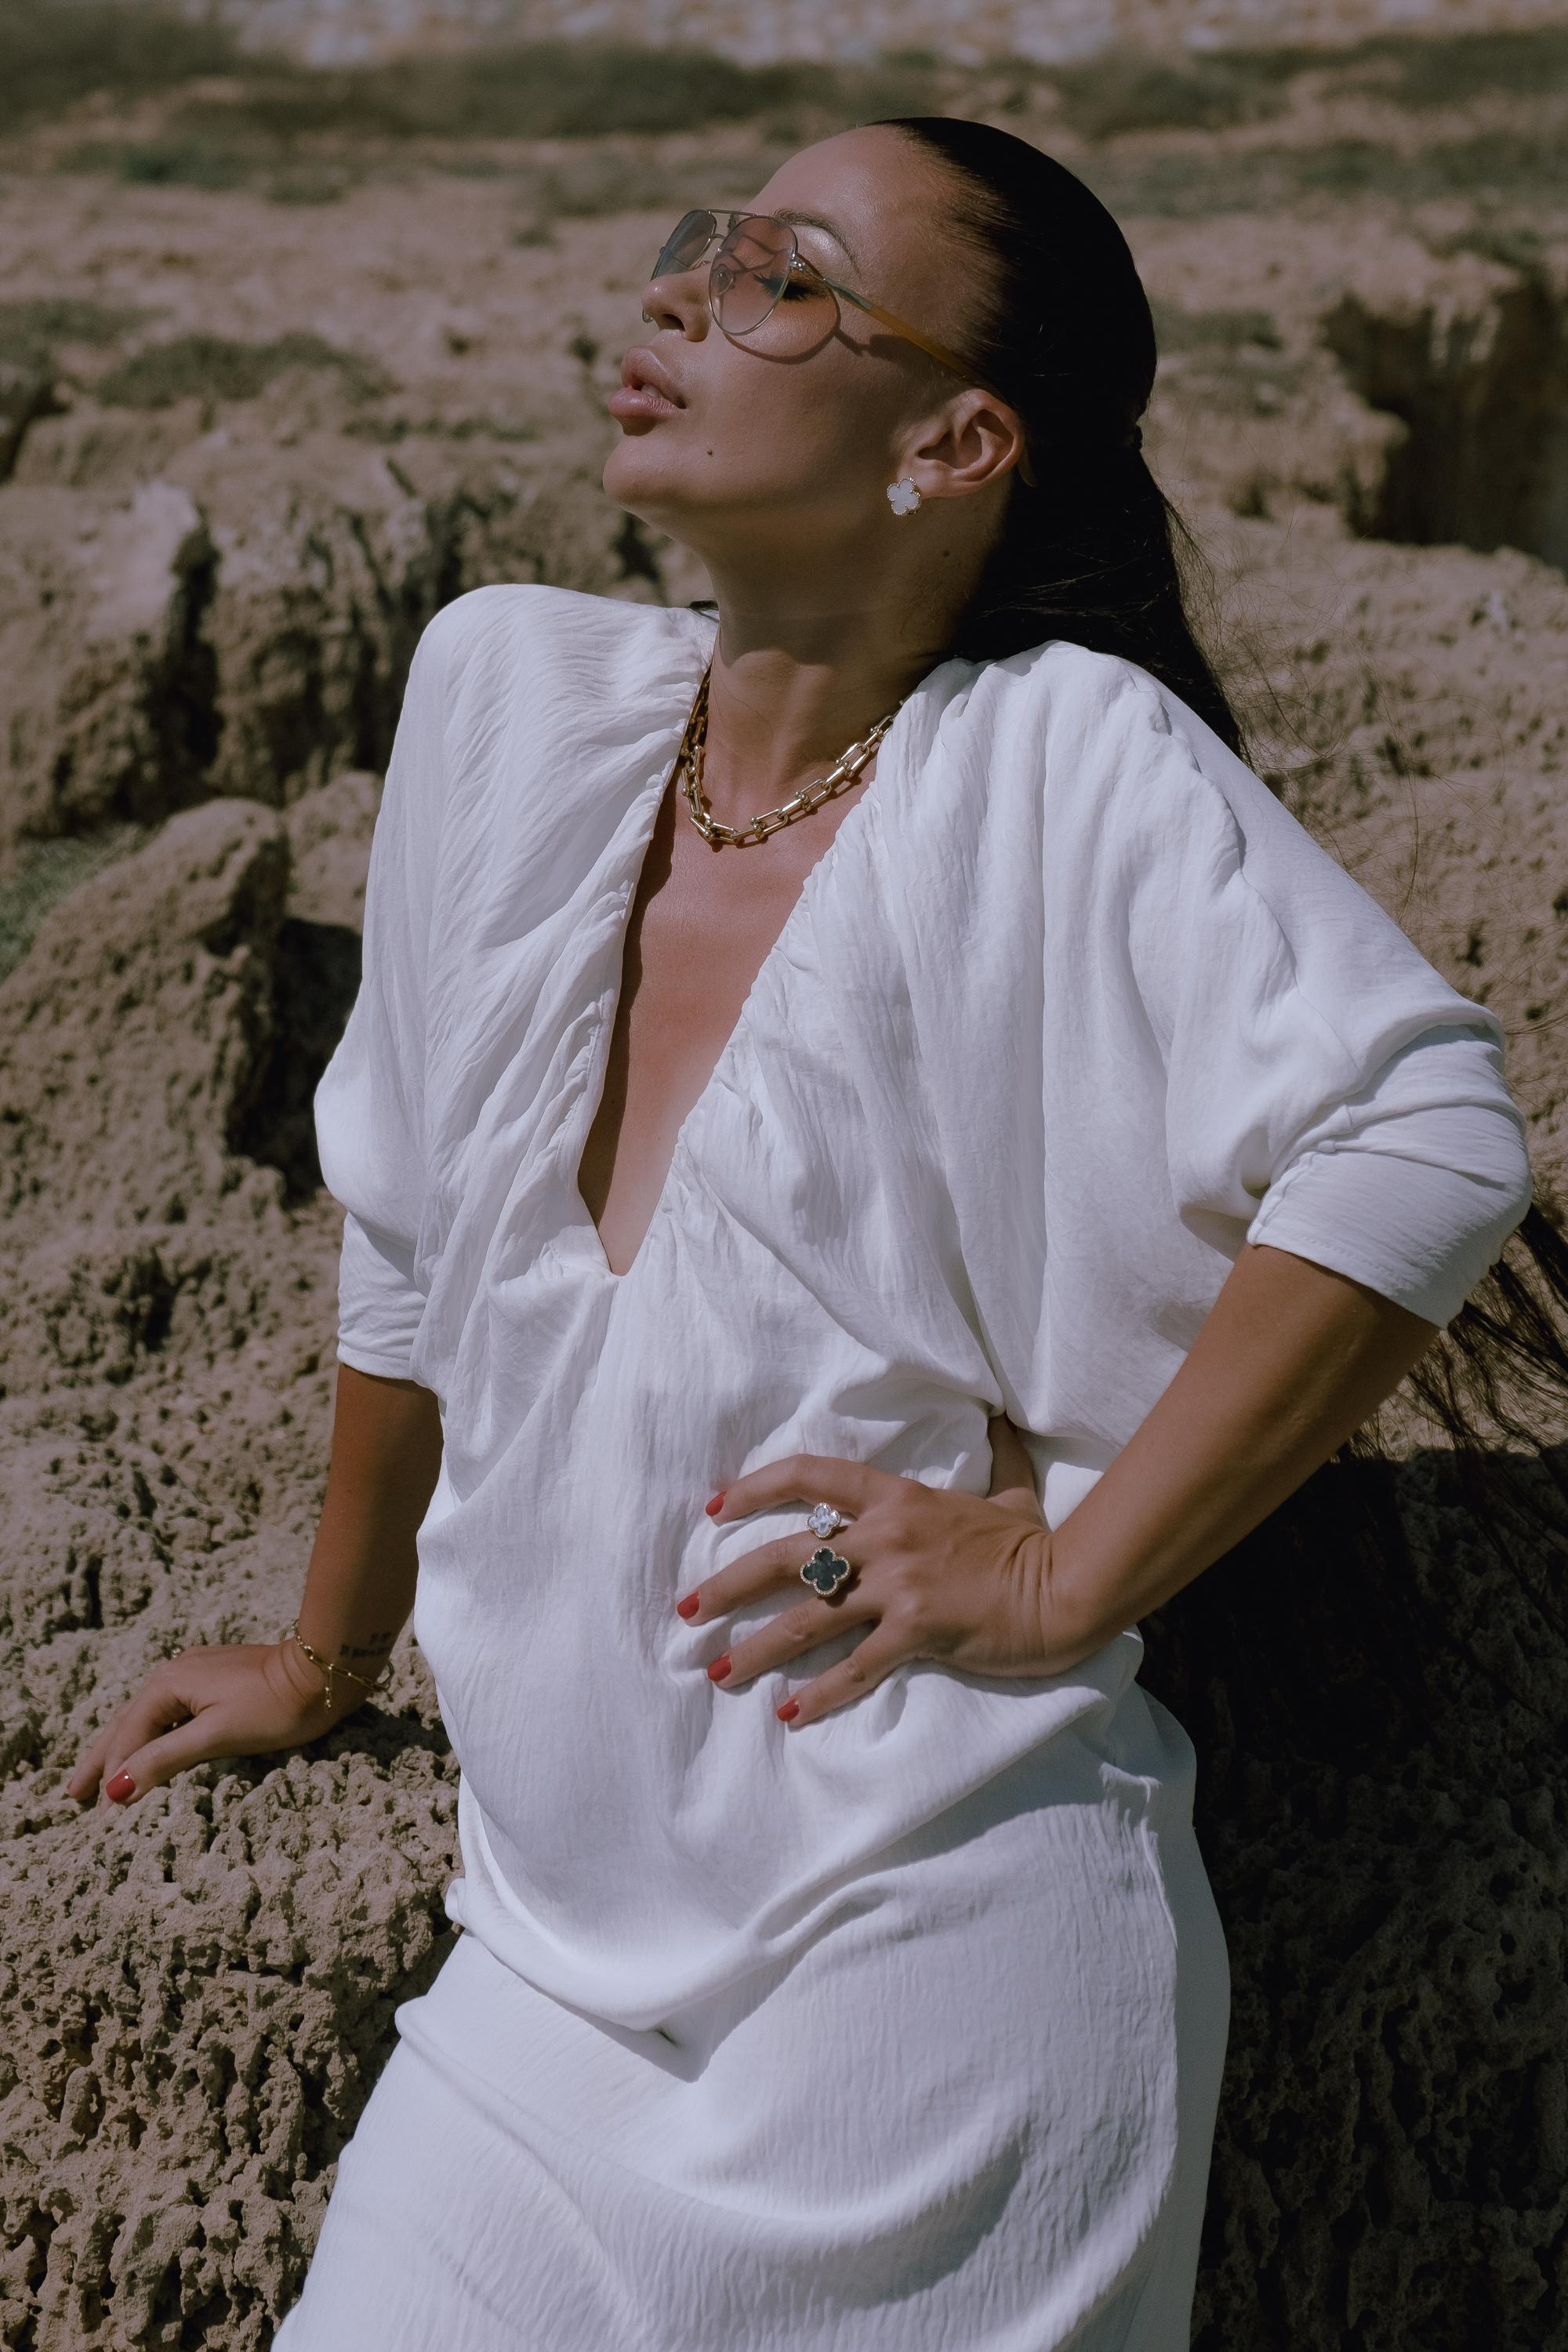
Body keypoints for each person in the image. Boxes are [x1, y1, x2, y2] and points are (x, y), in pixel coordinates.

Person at [68, 118, 1541, 2349]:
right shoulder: (509, 694)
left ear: (955, 437)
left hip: (938, 1992)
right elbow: (407, 1232)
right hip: (536, 1995)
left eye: (782, 280)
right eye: (700, 246)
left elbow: (1425, 1129)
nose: (679, 295)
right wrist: (328, 1653)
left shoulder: (1063, 759)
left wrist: (1064, 1566)